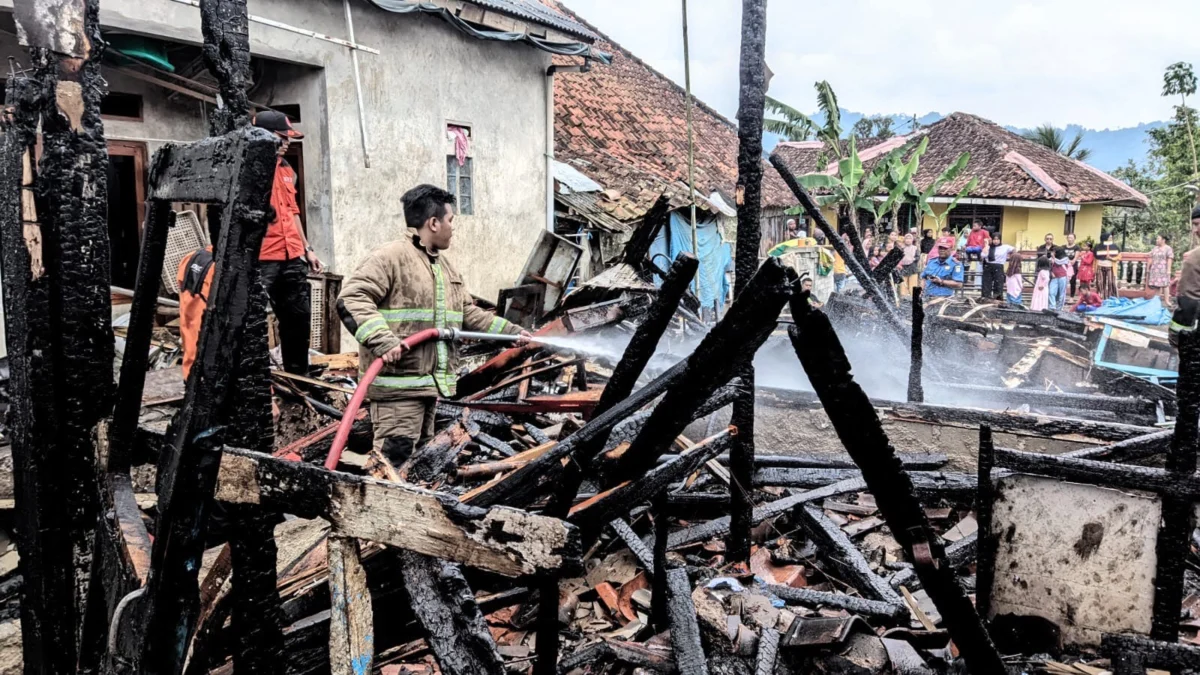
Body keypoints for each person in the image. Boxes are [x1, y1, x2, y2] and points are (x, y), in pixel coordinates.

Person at [337, 184, 531, 463]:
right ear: (433, 223)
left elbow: (466, 314)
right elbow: (351, 299)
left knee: (419, 463)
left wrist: (510, 333)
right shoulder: (390, 258)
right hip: (397, 389)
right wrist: (383, 340)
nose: (453, 228)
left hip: (428, 387)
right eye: (451, 220)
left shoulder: (444, 267)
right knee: (394, 461)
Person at [252, 111, 324, 375]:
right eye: (281, 137)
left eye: (288, 138)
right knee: (252, 320)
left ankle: (299, 374)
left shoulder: (285, 169)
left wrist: (307, 249)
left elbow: (293, 212)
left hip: (292, 254)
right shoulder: (251, 169)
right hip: (262, 257)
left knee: (298, 317)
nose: (286, 142)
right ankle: (256, 378)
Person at [1169, 206, 1200, 348]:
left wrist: (1175, 338)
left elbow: (1188, 303)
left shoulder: (1194, 258)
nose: (1195, 230)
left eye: (1197, 224)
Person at [980, 231, 1014, 301]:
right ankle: (986, 298)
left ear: (1000, 240)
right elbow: (983, 255)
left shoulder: (1005, 247)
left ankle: (997, 299)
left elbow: (1014, 250)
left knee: (998, 283)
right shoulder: (989, 247)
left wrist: (1012, 257)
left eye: (997, 239)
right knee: (986, 283)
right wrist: (986, 245)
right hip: (988, 266)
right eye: (994, 239)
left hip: (999, 266)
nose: (996, 241)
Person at [1148, 233, 1174, 309]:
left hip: (1163, 268)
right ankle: (1156, 301)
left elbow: (1170, 259)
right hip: (1155, 268)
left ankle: (1167, 301)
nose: (1157, 240)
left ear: (1163, 240)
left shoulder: (1168, 248)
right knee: (1156, 286)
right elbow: (1150, 256)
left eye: (1158, 239)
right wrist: (1148, 268)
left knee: (1165, 285)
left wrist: (1169, 270)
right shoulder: (1155, 248)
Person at [1094, 232, 1121, 299]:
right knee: (1100, 283)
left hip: (1110, 267)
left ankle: (1112, 297)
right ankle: (1101, 298)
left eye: (1111, 237)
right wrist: (1093, 269)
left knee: (1111, 282)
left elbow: (1119, 256)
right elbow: (1095, 257)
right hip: (1100, 266)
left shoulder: (1115, 246)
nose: (1111, 238)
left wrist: (1111, 258)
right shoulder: (1097, 247)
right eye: (1110, 237)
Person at [1049, 246, 1073, 310]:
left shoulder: (1065, 258)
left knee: (1061, 294)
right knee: (1051, 292)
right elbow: (1049, 265)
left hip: (1062, 277)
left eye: (1054, 251)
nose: (1053, 252)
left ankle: (1059, 308)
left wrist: (1053, 258)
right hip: (1054, 278)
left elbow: (1059, 262)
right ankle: (1052, 306)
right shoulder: (1052, 258)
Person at [899, 233, 920, 297]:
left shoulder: (915, 248)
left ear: (912, 240)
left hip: (912, 267)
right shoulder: (901, 248)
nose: (908, 240)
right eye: (906, 238)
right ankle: (904, 298)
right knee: (903, 284)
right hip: (903, 267)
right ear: (904, 240)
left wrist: (912, 260)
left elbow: (917, 257)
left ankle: (914, 299)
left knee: (913, 284)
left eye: (910, 238)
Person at [1064, 233, 1081, 299]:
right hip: (1064, 265)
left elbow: (1075, 258)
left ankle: (1071, 297)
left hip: (1073, 266)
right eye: (1069, 237)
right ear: (1067, 238)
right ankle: (1062, 296)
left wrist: (1072, 261)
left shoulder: (1077, 247)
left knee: (1072, 281)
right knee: (1063, 280)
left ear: (1074, 239)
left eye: (1071, 238)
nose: (1070, 239)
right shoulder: (1063, 247)